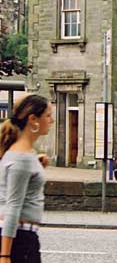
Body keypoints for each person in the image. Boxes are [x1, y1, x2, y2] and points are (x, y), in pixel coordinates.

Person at [0, 94, 54, 263]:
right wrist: (5, 256)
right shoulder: (21, 158)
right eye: (48, 115)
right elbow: (13, 207)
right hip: (20, 240)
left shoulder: (25, 155)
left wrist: (36, 166)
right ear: (33, 119)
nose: (51, 121)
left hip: (23, 237)